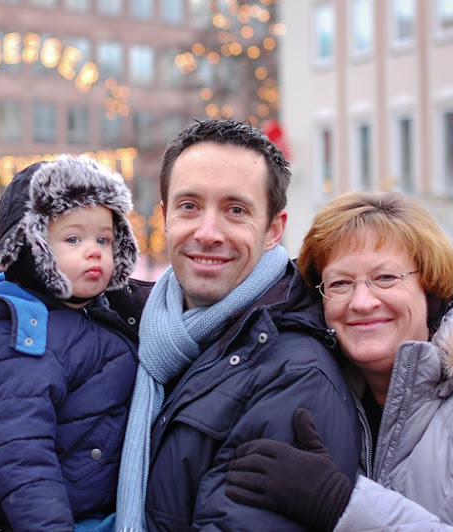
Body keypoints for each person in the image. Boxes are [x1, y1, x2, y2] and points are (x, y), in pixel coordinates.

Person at [225, 190, 453, 531]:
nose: (362, 302)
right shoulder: (312, 385)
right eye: (340, 283)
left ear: (429, 285)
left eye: (385, 278)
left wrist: (341, 504)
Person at [115, 119, 361, 532]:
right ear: (165, 217)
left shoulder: (294, 372)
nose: (208, 233)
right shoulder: (143, 335)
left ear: (274, 229)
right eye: (189, 206)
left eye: (236, 210)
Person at [0, 155, 142, 531]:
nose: (94, 251)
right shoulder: (15, 339)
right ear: (27, 246)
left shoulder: (90, 314)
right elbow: (21, 458)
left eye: (104, 239)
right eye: (73, 238)